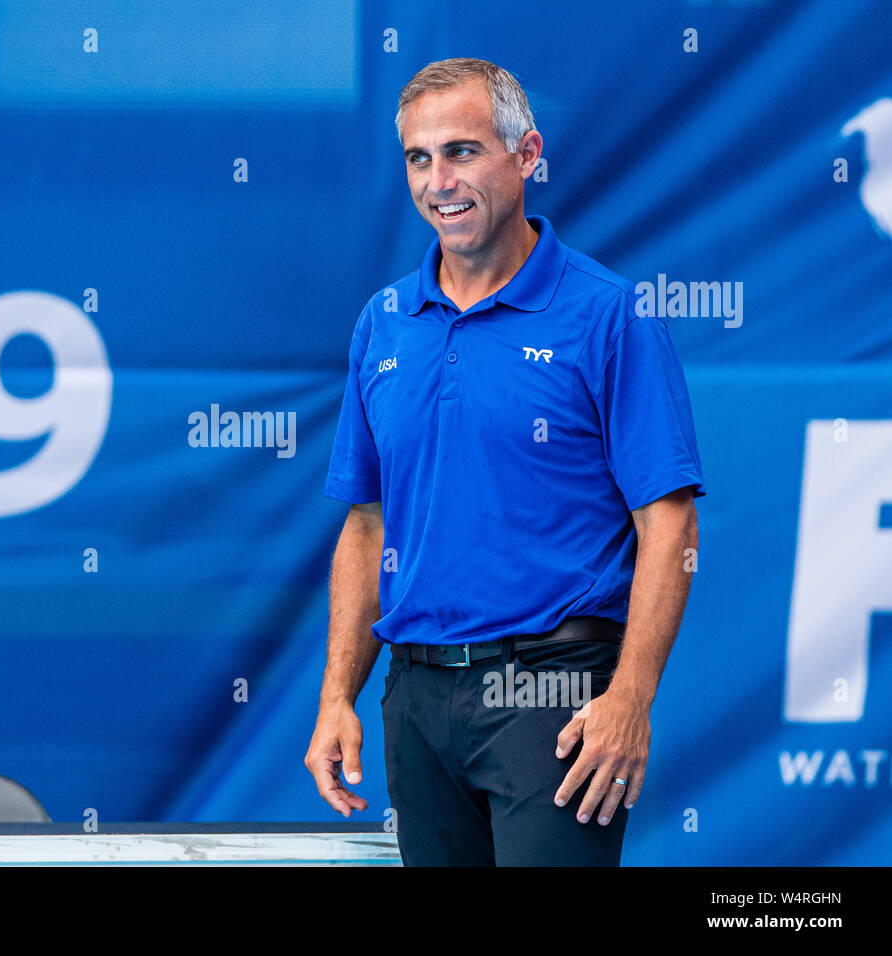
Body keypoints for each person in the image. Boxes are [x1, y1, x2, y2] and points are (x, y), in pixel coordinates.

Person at [304, 58, 705, 866]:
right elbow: (365, 522)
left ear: (526, 156)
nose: (438, 180)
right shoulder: (383, 324)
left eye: (462, 151)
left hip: (550, 695)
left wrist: (630, 698)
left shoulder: (608, 316)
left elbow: (670, 522)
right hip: (414, 697)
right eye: (419, 158)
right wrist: (336, 697)